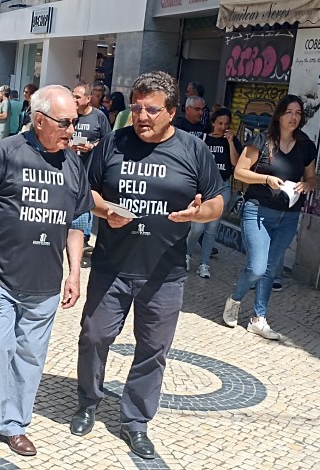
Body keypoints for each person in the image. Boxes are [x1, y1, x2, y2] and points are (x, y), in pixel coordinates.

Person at [70, 71, 224, 459]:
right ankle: (89, 401)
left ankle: (136, 421)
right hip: (112, 265)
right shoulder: (113, 142)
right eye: (136, 106)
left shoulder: (192, 149)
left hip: (164, 272)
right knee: (94, 336)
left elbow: (220, 199)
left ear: (172, 112)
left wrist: (198, 214)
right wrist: (104, 210)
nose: (141, 115)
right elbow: (86, 190)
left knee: (153, 348)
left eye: (151, 109)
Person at [0, 85, 94, 466]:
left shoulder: (73, 164)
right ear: (39, 120)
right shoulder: (7, 152)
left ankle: (15, 424)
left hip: (45, 283)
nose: (73, 129)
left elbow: (78, 222)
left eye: (75, 122)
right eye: (66, 122)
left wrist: (74, 273)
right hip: (0, 276)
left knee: (30, 357)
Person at [222, 95, 318, 340]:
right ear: (279, 115)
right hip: (258, 209)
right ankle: (235, 300)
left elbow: (312, 177)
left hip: (288, 215)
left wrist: (307, 185)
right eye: (289, 112)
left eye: (298, 113)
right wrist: (266, 179)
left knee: (272, 268)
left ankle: (258, 318)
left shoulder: (306, 146)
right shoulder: (262, 140)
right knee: (256, 267)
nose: (294, 117)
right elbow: (240, 172)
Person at [186, 108, 241, 278]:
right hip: (202, 188)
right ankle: (186, 255)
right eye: (219, 123)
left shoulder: (232, 141)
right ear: (213, 123)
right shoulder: (203, 139)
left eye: (226, 124)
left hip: (222, 187)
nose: (223, 127)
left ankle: (204, 264)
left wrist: (231, 143)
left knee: (212, 228)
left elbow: (236, 164)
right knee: (197, 226)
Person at [71, 83, 111, 253]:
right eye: (73, 96)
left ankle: (84, 237)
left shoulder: (98, 117)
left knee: (86, 198)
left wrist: (92, 146)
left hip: (89, 167)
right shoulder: (70, 116)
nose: (74, 99)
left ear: (88, 99)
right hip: (69, 165)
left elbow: (108, 140)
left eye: (78, 97)